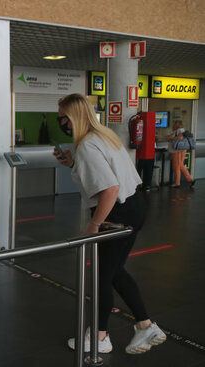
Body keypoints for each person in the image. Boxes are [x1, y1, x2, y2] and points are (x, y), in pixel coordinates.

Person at [53, 94, 166, 354]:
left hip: (118, 212)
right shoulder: (103, 136)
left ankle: (100, 337)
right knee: (114, 271)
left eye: (62, 116)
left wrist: (94, 224)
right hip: (135, 205)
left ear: (72, 118)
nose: (61, 121)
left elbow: (110, 189)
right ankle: (144, 325)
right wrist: (73, 162)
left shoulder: (88, 145)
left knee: (103, 275)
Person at [166, 120, 195, 188]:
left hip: (177, 151)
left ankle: (177, 183)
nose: (174, 125)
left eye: (175, 124)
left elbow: (180, 138)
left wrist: (172, 138)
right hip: (180, 151)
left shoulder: (180, 130)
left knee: (177, 167)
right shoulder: (178, 130)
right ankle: (190, 180)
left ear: (178, 124)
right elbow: (171, 137)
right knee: (180, 166)